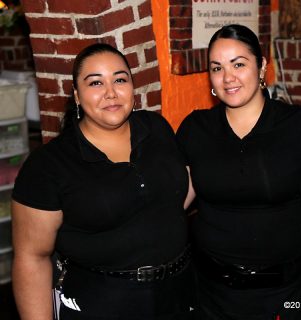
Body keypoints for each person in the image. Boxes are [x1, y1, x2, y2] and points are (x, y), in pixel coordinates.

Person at [11, 43, 194, 320]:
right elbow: (32, 259)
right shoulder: (48, 165)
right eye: (95, 83)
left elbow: (173, 195)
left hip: (178, 292)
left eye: (120, 79)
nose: (110, 92)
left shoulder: (156, 129)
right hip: (100, 300)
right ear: (76, 95)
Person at [176, 24, 301, 320]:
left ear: (262, 67)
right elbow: (173, 202)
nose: (228, 77)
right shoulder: (196, 128)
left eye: (239, 64)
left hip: (282, 295)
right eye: (217, 68)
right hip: (210, 295)